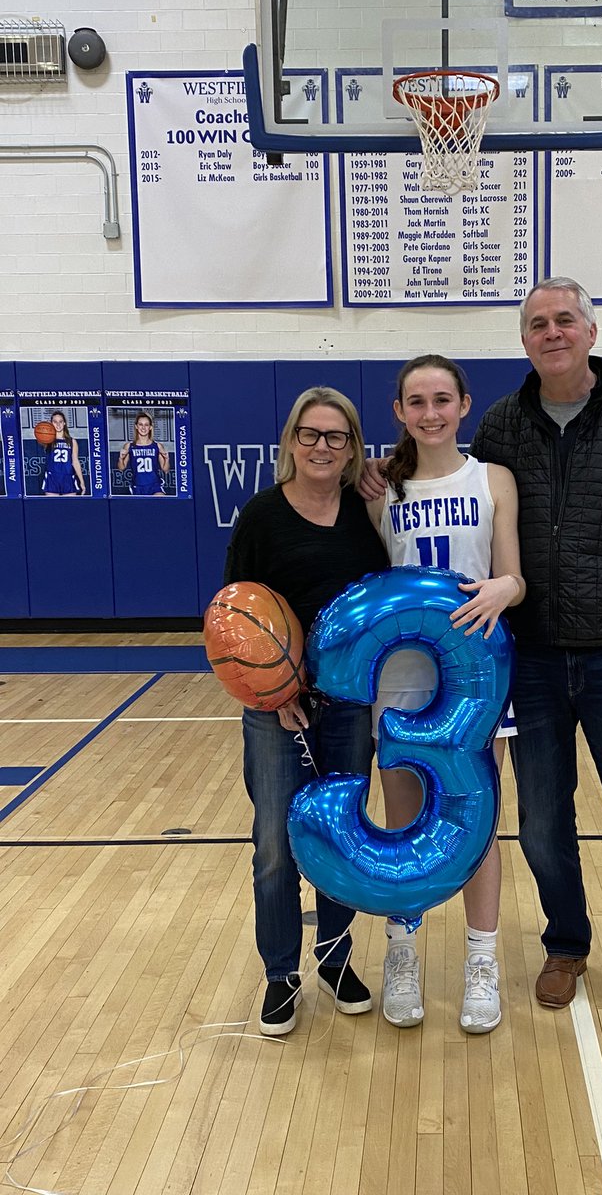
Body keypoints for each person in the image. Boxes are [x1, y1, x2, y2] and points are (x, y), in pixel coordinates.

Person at [364, 279, 602, 1034]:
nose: (552, 332)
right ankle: (565, 945)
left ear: (590, 329)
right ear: (524, 341)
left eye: (564, 320)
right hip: (534, 660)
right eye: (537, 324)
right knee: (543, 822)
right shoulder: (505, 427)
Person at [366, 354, 524, 1035]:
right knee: (403, 821)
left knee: (475, 819)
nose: (430, 413)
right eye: (416, 402)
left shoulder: (492, 480)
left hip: (474, 680)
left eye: (441, 399)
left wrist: (502, 588)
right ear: (399, 413)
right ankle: (402, 956)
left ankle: (481, 965)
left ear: (464, 404)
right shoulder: (379, 491)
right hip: (401, 680)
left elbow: (513, 576)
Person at [224, 387, 388, 1036]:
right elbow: (233, 617)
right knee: (274, 844)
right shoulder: (261, 517)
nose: (323, 446)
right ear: (292, 440)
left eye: (336, 436)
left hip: (347, 703)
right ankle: (279, 974)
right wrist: (277, 690)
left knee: (338, 835)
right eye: (311, 434)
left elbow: (381, 604)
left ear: (351, 449)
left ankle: (334, 960)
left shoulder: (365, 515)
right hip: (275, 709)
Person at [118, 413, 169, 495]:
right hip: (137, 487)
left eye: (146, 425)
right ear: (136, 426)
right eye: (140, 424)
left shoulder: (157, 446)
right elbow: (121, 468)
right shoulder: (129, 446)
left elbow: (165, 469)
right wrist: (121, 458)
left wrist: (166, 459)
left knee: (160, 501)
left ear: (150, 427)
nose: (143, 428)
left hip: (154, 486)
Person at [42, 411, 85, 496]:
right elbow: (40, 437)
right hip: (52, 478)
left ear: (64, 423)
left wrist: (82, 482)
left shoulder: (72, 441)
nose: (58, 424)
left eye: (60, 421)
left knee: (69, 508)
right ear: (51, 423)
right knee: (52, 508)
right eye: (55, 422)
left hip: (68, 478)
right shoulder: (47, 440)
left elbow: (75, 462)